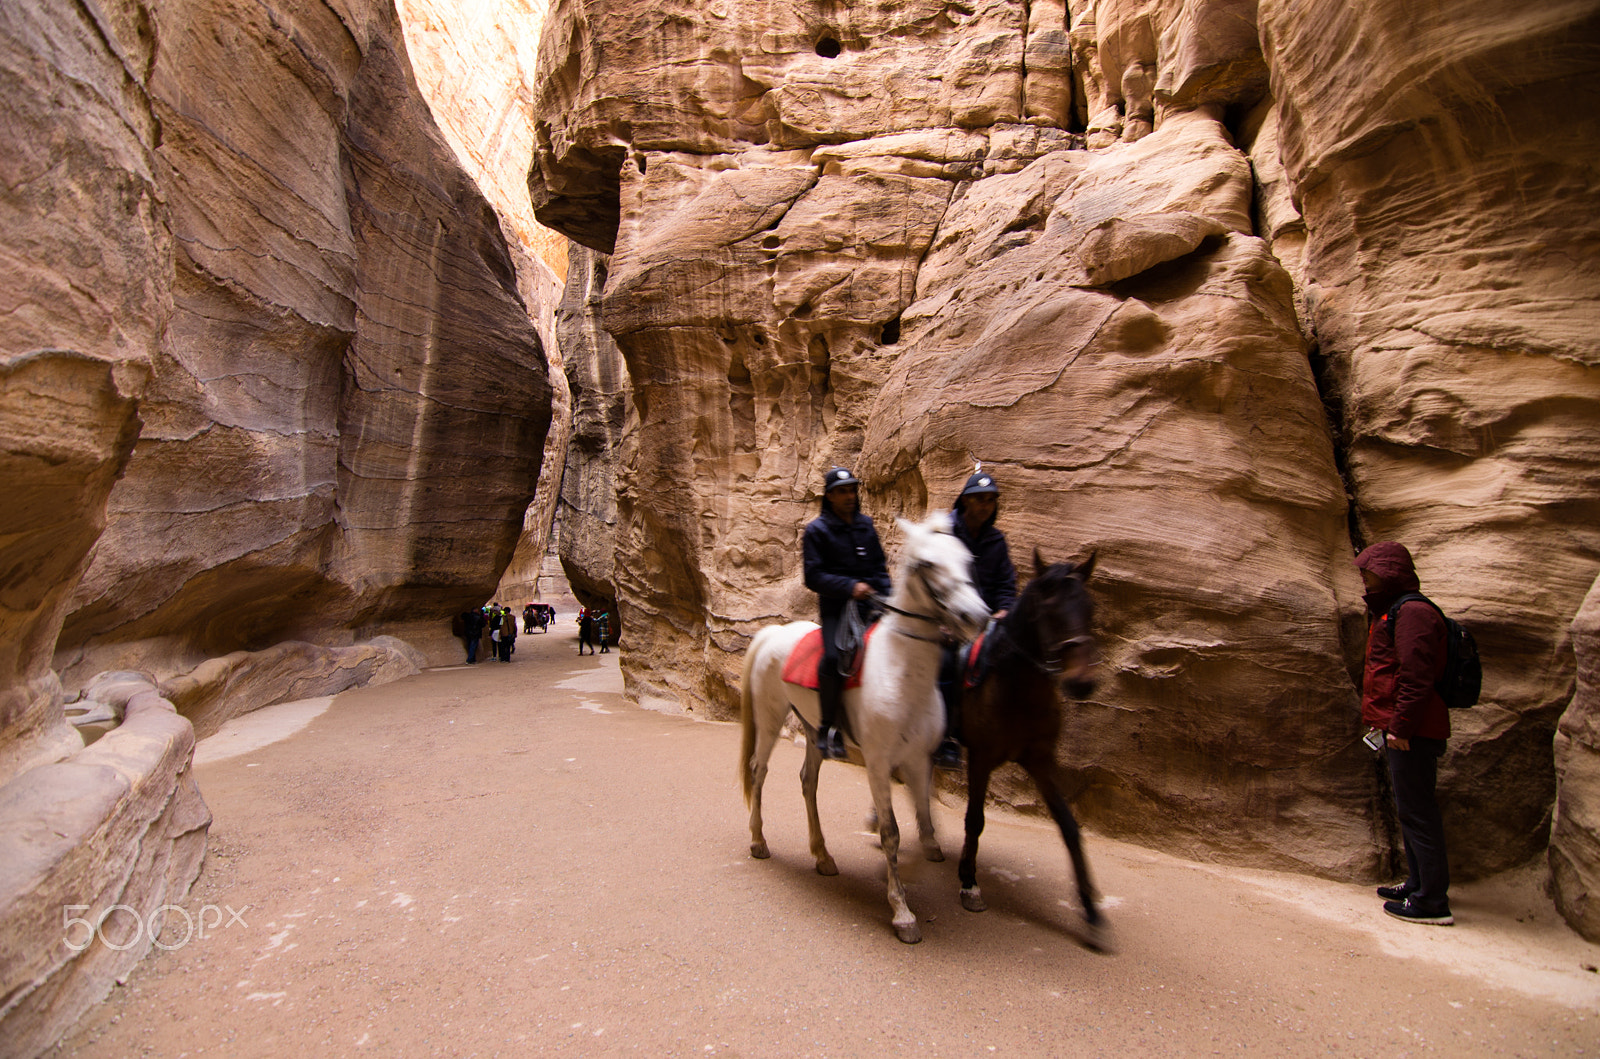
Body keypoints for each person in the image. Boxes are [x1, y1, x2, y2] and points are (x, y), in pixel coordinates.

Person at [1355, 541, 1453, 926]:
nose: (1364, 580)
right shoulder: (1398, 609)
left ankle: (1432, 902)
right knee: (1411, 810)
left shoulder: (1412, 612)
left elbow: (1416, 677)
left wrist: (1400, 727)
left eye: (1369, 573)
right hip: (1405, 727)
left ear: (1388, 572)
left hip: (1413, 729)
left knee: (1419, 812)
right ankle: (1417, 884)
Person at [803, 466, 891, 761]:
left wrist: (888, 598)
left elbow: (880, 568)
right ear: (829, 496)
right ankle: (828, 727)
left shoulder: (865, 525)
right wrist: (850, 586)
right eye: (842, 491)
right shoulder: (817, 531)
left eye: (852, 490)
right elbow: (813, 577)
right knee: (832, 657)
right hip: (836, 610)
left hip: (872, 607)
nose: (850, 496)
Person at [935, 466, 1018, 768]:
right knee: (950, 664)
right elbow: (930, 579)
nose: (985, 505)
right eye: (979, 499)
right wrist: (939, 618)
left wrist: (1004, 611)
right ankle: (947, 738)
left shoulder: (996, 542)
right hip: (947, 622)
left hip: (984, 623)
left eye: (990, 500)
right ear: (965, 501)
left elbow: (1006, 585)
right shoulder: (943, 533)